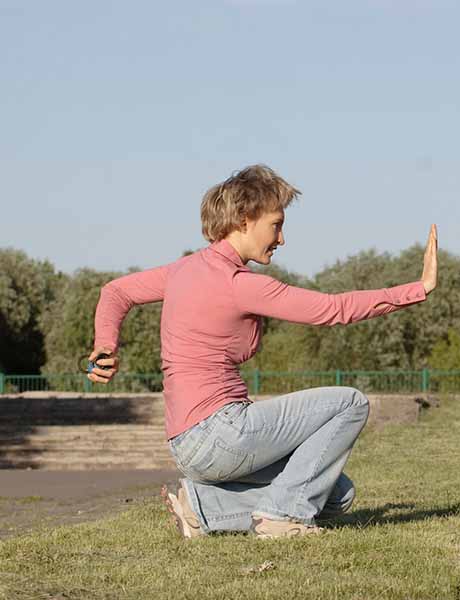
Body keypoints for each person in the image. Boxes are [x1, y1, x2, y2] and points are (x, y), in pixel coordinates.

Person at [86, 164, 438, 539]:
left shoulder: (182, 270)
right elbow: (333, 309)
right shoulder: (238, 284)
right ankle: (282, 518)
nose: (282, 238)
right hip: (221, 433)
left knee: (336, 494)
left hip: (186, 443)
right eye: (276, 224)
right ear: (244, 220)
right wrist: (418, 288)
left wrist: (105, 345)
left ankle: (202, 507)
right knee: (350, 403)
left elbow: (115, 292)